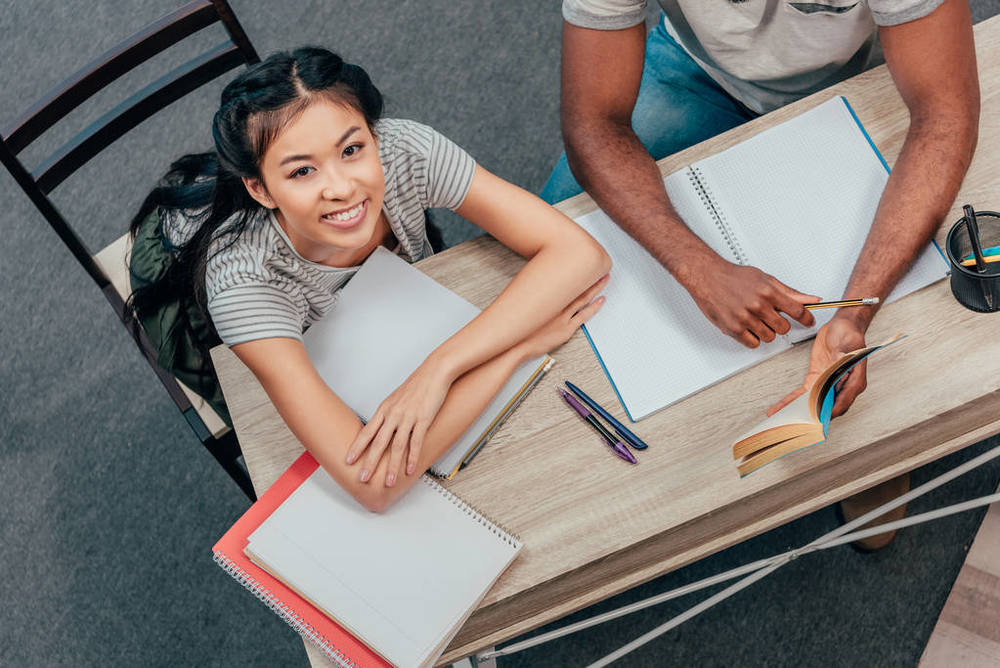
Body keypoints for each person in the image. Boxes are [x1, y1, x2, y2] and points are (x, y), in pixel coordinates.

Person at [543, 0, 979, 549]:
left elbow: (945, 115)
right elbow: (592, 120)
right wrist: (695, 266)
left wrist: (856, 312)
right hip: (692, 69)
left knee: (900, 285)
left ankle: (868, 441)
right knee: (546, 268)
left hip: (846, 80)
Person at [127, 47, 611, 512]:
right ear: (260, 188)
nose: (341, 187)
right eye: (302, 172)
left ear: (374, 136)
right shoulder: (244, 281)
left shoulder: (403, 148)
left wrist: (439, 367)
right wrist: (517, 349)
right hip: (191, 279)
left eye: (352, 149)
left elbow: (580, 254)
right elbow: (376, 485)